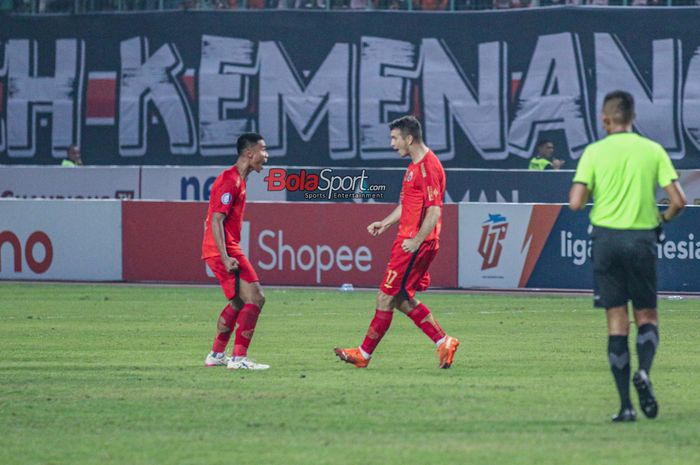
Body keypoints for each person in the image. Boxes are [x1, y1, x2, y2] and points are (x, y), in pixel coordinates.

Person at [569, 90, 686, 422]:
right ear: (633, 117)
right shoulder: (652, 151)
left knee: (616, 322)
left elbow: (576, 202)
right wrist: (661, 221)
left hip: (606, 241)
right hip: (641, 239)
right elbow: (679, 200)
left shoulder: (594, 152)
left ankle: (625, 407)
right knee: (647, 316)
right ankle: (644, 372)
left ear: (605, 119)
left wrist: (596, 186)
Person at [334, 116, 459, 369]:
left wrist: (416, 241)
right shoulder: (413, 167)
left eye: (395, 138)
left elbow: (434, 211)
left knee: (384, 297)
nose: (392, 144)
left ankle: (363, 354)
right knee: (401, 298)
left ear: (409, 138)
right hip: (409, 240)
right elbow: (407, 206)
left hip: (415, 244)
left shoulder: (428, 167)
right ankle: (443, 341)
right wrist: (385, 222)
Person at [202, 133, 270, 370]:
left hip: (223, 248)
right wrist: (225, 256)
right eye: (263, 150)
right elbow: (216, 220)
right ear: (249, 153)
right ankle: (238, 358)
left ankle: (216, 354)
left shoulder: (239, 180)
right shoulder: (230, 180)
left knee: (240, 302)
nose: (266, 156)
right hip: (225, 249)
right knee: (256, 298)